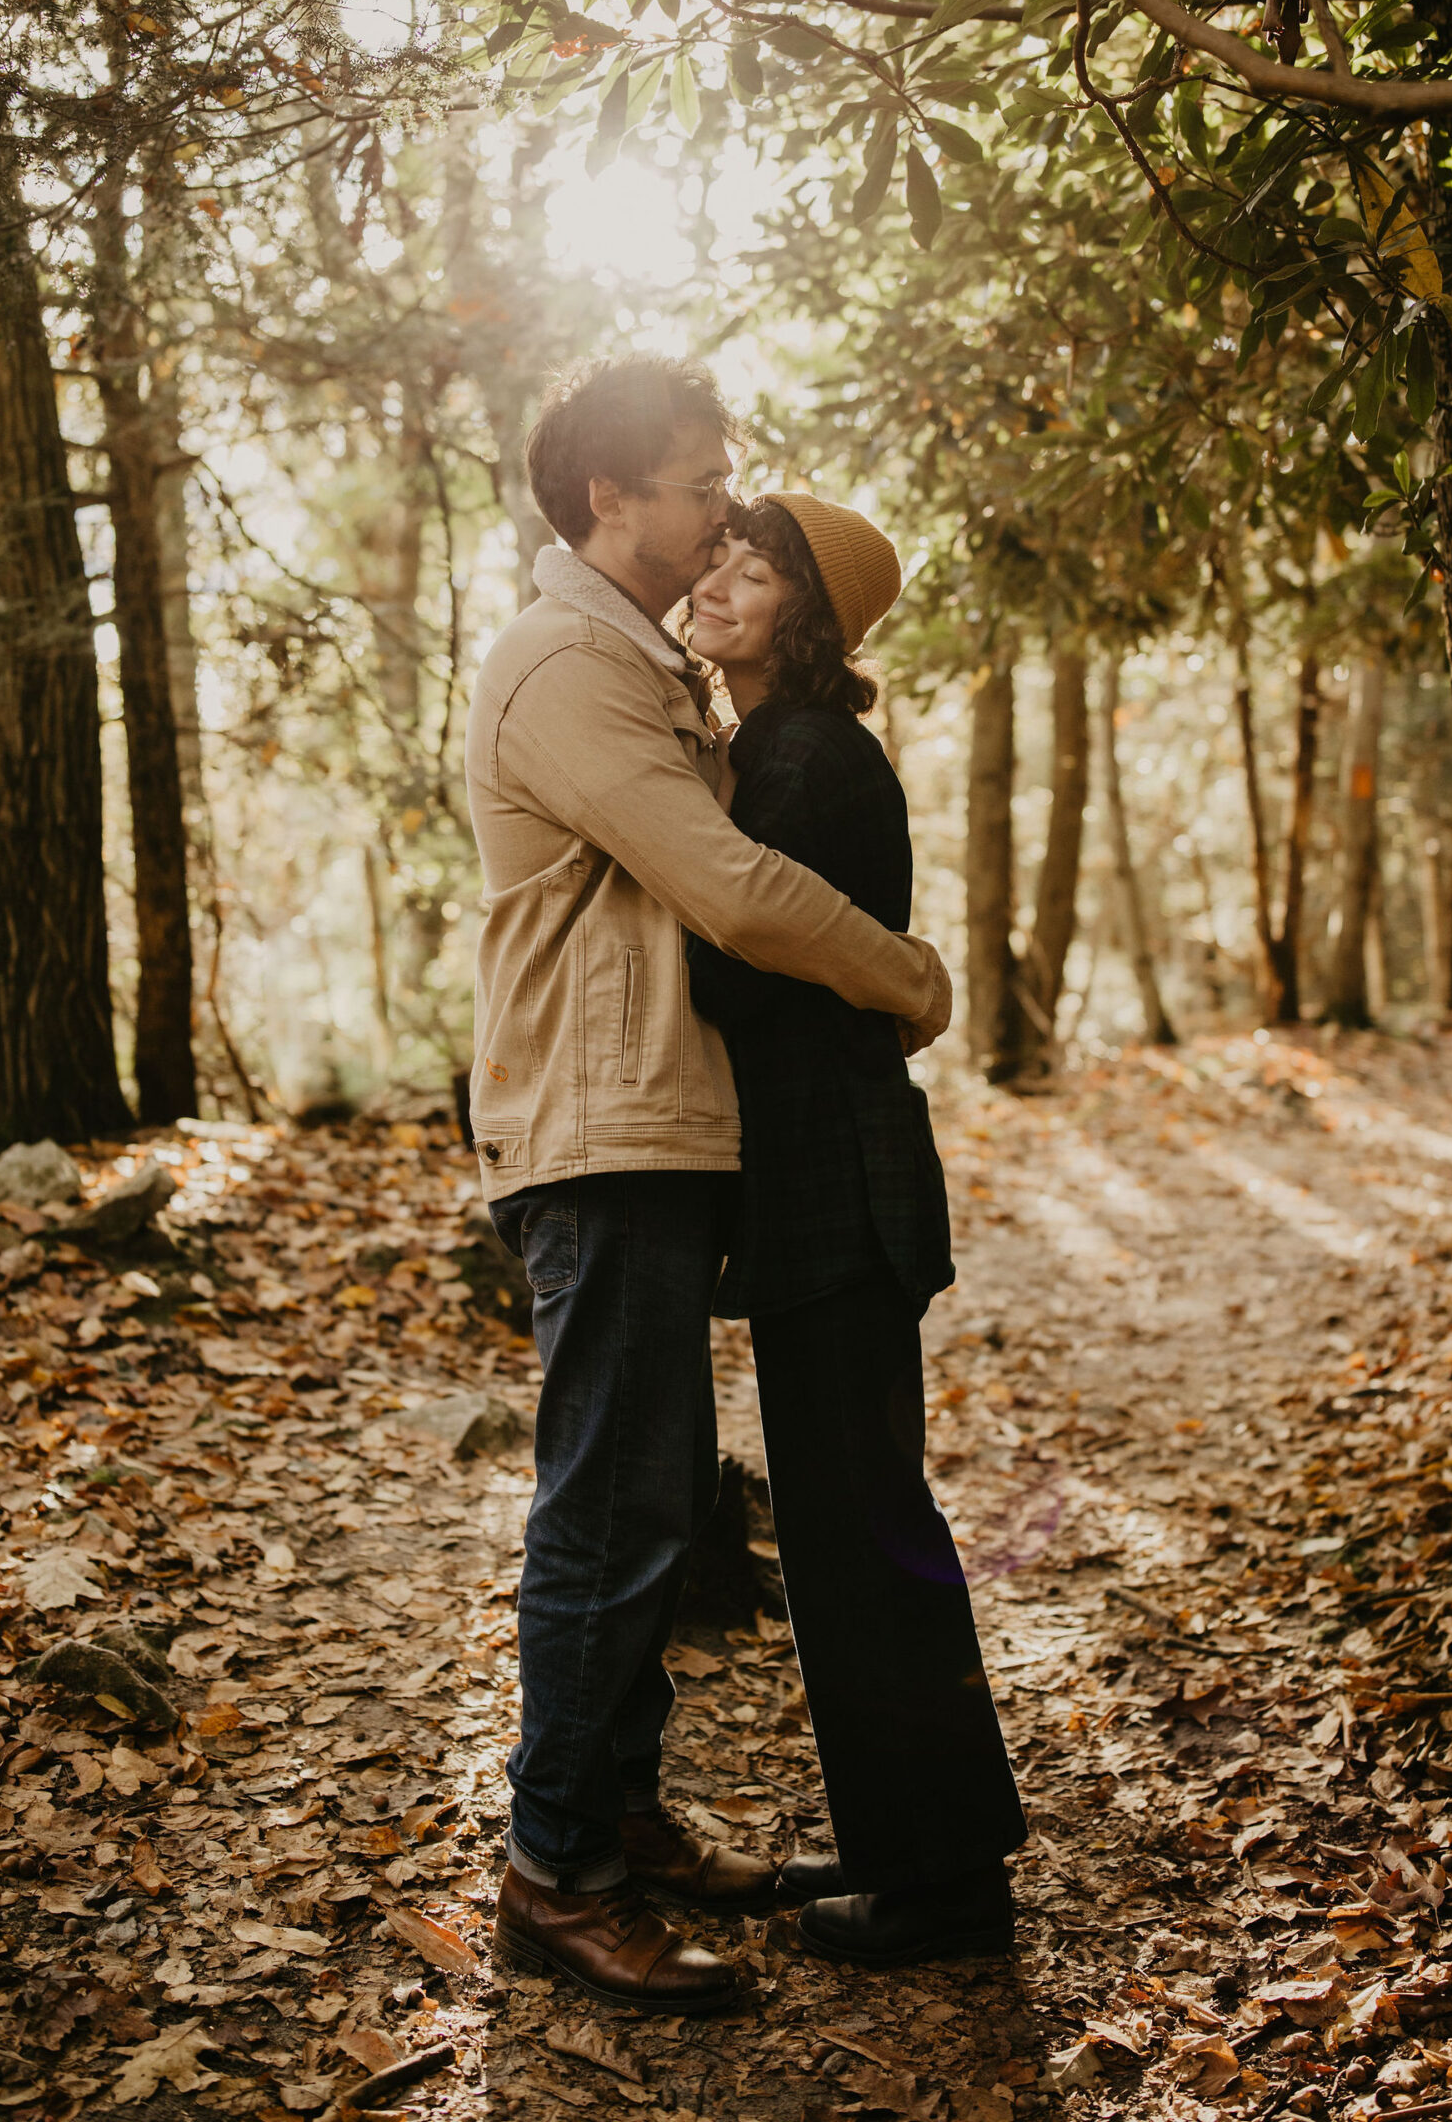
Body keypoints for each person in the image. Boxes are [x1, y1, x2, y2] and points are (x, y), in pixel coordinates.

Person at [466, 358, 954, 2016]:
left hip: (665, 1128)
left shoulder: (649, 668)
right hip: (600, 1130)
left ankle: (616, 1812)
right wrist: (908, 975)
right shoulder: (564, 668)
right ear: (612, 498)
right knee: (611, 1504)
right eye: (695, 483)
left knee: (653, 1500)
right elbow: (734, 894)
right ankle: (556, 1872)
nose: (713, 506)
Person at [685, 491, 1026, 1968]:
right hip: (830, 1182)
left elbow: (745, 972)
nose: (717, 581)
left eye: (752, 572)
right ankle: (914, 1846)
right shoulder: (772, 750)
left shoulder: (806, 755)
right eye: (717, 557)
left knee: (867, 1531)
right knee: (848, 1528)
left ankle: (946, 1883)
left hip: (839, 1184)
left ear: (806, 620)